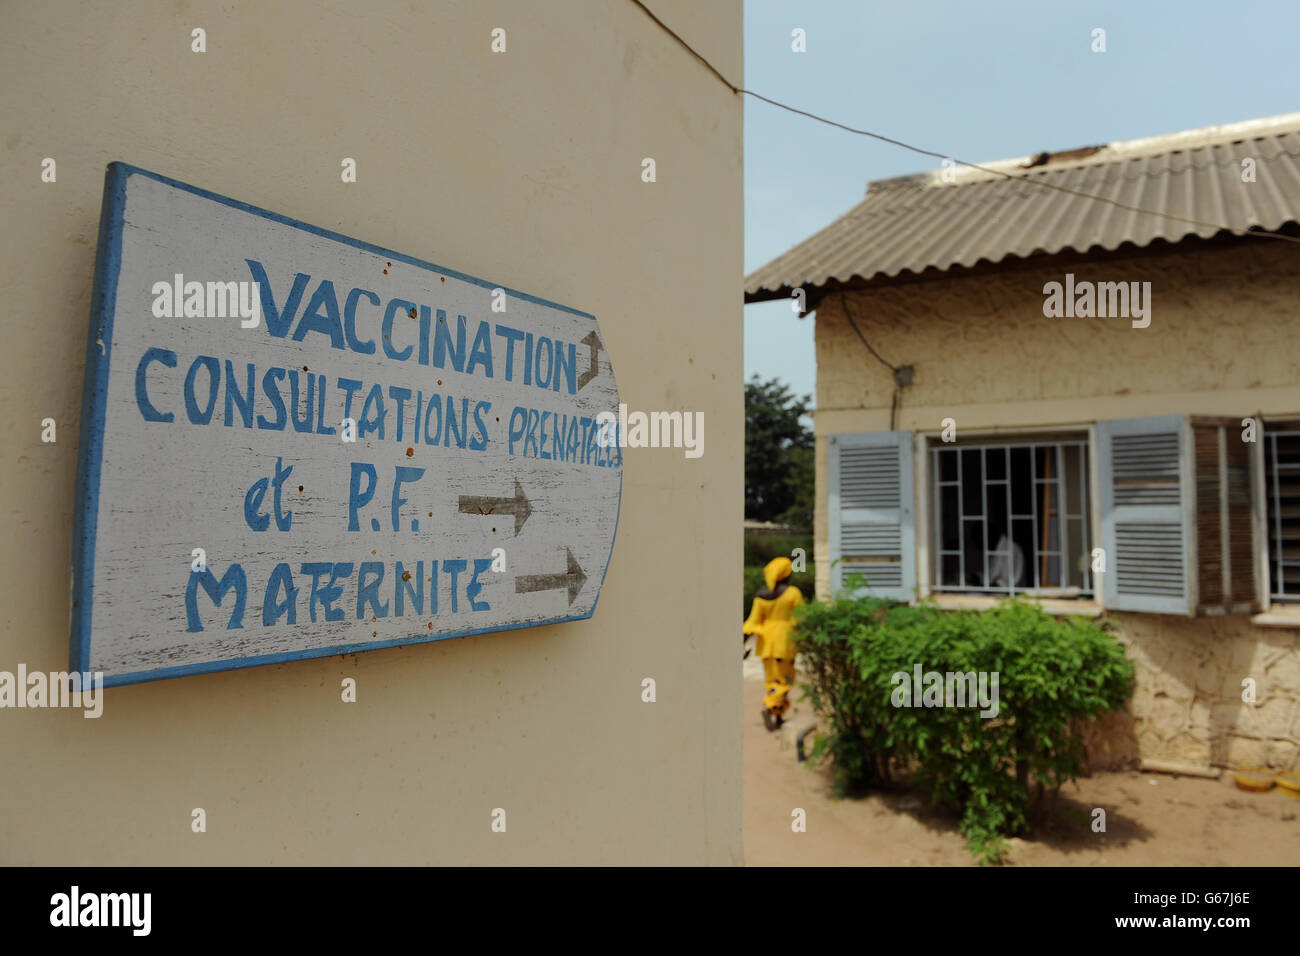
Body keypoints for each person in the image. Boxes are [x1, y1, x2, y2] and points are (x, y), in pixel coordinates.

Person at [743, 556, 804, 731]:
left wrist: (743, 642)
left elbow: (752, 622)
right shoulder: (793, 593)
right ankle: (768, 707)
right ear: (787, 574)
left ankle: (778, 717)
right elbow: (801, 618)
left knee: (772, 681)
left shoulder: (761, 595)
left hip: (766, 645)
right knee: (785, 681)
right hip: (784, 644)